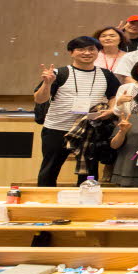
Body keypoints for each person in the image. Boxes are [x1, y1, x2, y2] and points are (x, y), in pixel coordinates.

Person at [34, 36, 120, 187]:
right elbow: (40, 99)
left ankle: (87, 198)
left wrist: (112, 109)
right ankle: (44, 198)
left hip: (89, 129)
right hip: (57, 129)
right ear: (71, 52)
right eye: (81, 49)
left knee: (89, 172)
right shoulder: (58, 73)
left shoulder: (106, 74)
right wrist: (47, 84)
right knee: (50, 168)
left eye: (91, 49)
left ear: (98, 52)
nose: (87, 53)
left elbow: (114, 96)